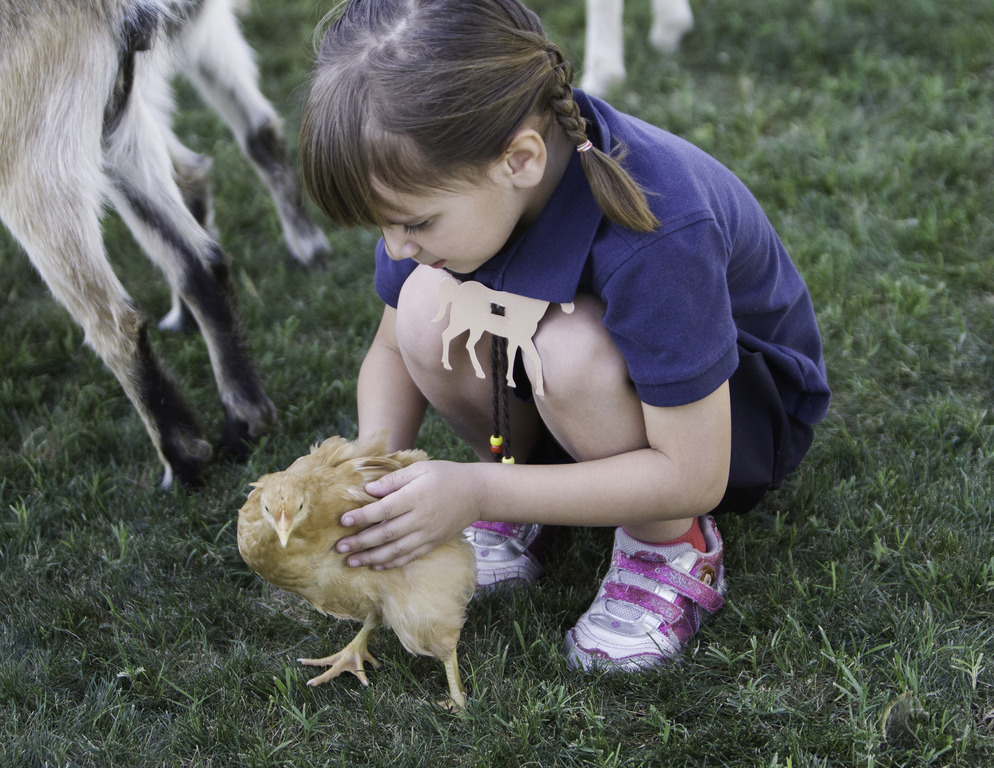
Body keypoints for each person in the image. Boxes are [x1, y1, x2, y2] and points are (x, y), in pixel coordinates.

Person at [298, 0, 831, 671]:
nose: (396, 247)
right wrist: (371, 468)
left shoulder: (659, 229)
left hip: (725, 428)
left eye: (414, 223)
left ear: (519, 160)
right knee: (424, 305)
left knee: (568, 349)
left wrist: (476, 491)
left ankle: (669, 548)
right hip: (596, 394)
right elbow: (390, 348)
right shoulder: (455, 203)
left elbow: (695, 472)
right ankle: (530, 485)